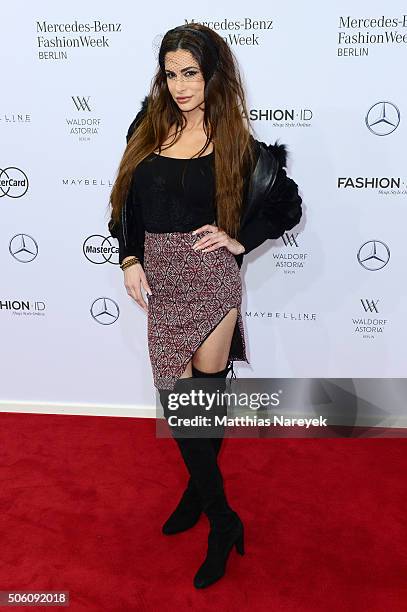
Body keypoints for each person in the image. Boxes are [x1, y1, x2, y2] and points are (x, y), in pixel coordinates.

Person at [108, 23, 303, 589]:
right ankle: (223, 516)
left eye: (189, 73)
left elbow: (287, 206)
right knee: (179, 400)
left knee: (205, 395)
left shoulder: (237, 141)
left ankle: (202, 500)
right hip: (163, 279)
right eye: (170, 74)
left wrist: (239, 238)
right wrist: (129, 259)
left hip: (213, 278)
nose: (179, 85)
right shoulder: (145, 130)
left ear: (212, 74)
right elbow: (124, 205)